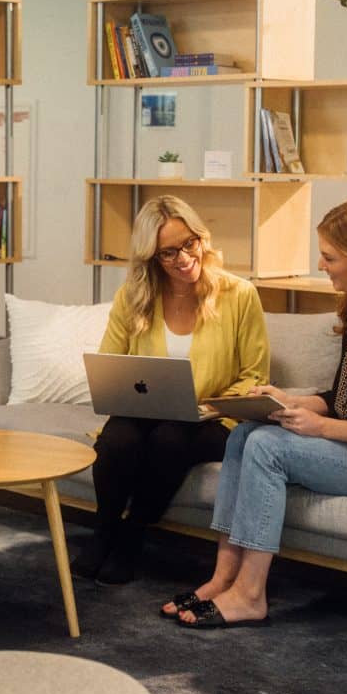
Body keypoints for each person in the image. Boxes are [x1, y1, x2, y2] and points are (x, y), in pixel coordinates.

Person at [166, 197, 347, 628]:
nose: (323, 265)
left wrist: (322, 427)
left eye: (331, 257)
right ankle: (224, 575)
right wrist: (292, 402)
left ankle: (250, 594)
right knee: (245, 433)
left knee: (268, 447)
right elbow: (345, 394)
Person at [73, 195, 269, 585]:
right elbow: (112, 362)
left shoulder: (239, 294)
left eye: (189, 244)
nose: (183, 258)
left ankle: (132, 536)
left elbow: (255, 374)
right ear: (151, 258)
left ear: (201, 238)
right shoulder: (132, 297)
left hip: (214, 417)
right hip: (149, 407)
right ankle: (104, 531)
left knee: (169, 439)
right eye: (168, 253)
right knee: (118, 440)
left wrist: (209, 406)